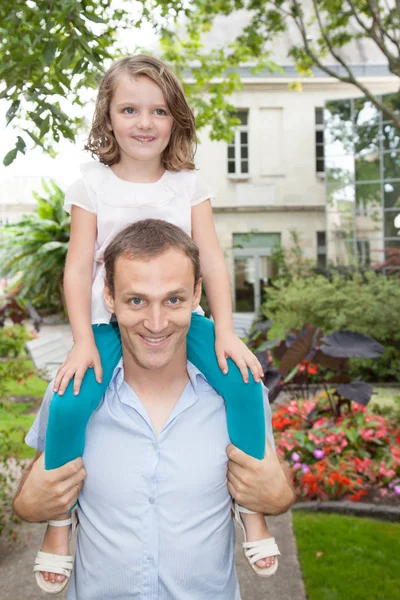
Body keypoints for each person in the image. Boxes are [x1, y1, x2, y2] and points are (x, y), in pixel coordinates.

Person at [36, 54, 277, 592]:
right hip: (109, 325)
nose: (144, 123)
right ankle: (58, 525)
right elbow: (78, 268)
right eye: (129, 109)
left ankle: (251, 511)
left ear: (175, 120)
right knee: (70, 402)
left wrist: (225, 331)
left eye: (158, 111)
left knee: (242, 386)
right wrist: (81, 342)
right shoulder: (90, 186)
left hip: (181, 320)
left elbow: (212, 258)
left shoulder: (188, 184)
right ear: (108, 117)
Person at [15, 220, 293, 599]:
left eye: (174, 300)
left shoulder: (239, 391)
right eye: (137, 300)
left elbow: (271, 477)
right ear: (109, 298)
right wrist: (28, 505)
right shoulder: (73, 388)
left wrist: (279, 497)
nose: (157, 323)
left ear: (197, 294)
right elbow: (35, 485)